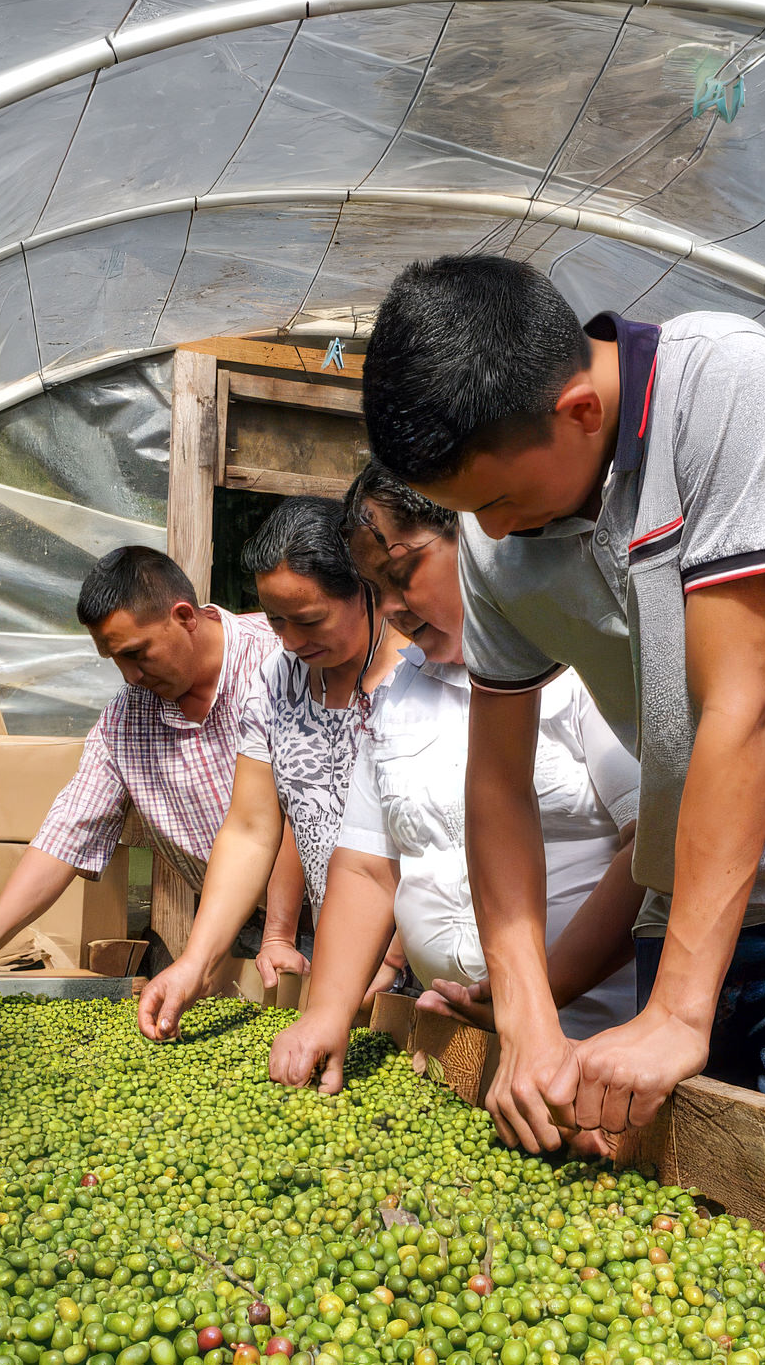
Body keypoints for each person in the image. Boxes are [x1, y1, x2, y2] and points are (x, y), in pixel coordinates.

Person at [361, 253, 765, 1145]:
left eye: (496, 499)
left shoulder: (720, 383)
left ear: (580, 412)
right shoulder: (492, 536)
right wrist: (528, 1020)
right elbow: (495, 784)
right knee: (664, 1217)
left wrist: (681, 1013)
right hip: (675, 916)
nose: (488, 532)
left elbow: (739, 707)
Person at [268, 464, 643, 1095]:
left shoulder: (580, 663)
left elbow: (651, 847)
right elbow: (367, 868)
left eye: (402, 574)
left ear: (475, 533)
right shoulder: (399, 695)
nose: (391, 608)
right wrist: (327, 1012)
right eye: (374, 589)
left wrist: (532, 998)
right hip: (455, 1048)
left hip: (593, 1048)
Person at [0, 545, 283, 1002]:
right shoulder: (126, 721)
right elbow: (68, 832)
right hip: (239, 926)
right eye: (116, 660)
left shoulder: (282, 659)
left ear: (185, 616)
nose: (130, 676)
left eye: (137, 653)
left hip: (332, 912)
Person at [137, 497, 409, 1041]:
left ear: (365, 589)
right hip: (339, 970)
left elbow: (445, 842)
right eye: (277, 620)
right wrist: (197, 960)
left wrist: (394, 958)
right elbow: (253, 828)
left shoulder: (419, 679)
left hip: (428, 966)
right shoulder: (277, 680)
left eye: (309, 620)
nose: (290, 640)